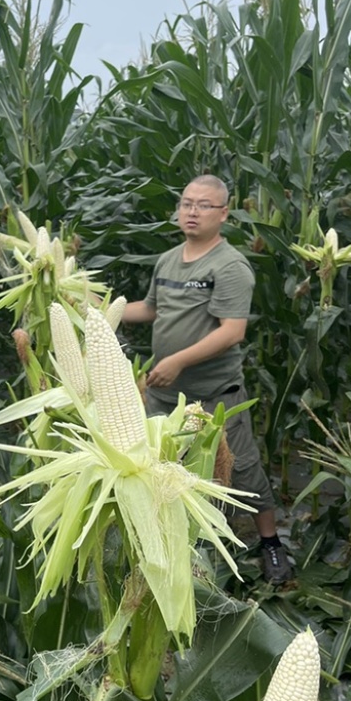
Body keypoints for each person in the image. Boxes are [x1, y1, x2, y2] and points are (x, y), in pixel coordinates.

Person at [121, 174, 293, 584]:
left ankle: (270, 544)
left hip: (215, 395)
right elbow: (150, 310)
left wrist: (178, 360)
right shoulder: (167, 260)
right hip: (166, 395)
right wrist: (98, 307)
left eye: (203, 205)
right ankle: (175, 547)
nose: (192, 212)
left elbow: (232, 330)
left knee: (244, 470)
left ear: (223, 214)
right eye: (186, 203)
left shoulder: (229, 266)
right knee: (164, 471)